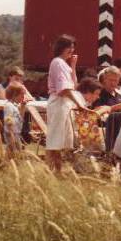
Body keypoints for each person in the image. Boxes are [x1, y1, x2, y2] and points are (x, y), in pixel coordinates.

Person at [45, 34, 79, 172]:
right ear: (61, 48)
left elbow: (74, 85)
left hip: (65, 103)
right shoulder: (57, 62)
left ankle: (57, 170)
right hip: (59, 102)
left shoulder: (64, 64)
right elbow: (64, 89)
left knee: (63, 139)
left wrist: (73, 66)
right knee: (56, 139)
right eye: (68, 47)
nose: (71, 50)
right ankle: (54, 170)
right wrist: (80, 105)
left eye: (72, 48)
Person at [3, 83, 26, 157]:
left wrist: (22, 108)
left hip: (16, 132)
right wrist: (12, 134)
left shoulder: (15, 105)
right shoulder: (9, 106)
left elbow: (20, 119)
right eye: (21, 95)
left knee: (13, 152)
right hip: (10, 133)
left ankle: (4, 166)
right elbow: (8, 121)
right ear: (14, 94)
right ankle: (11, 165)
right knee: (14, 151)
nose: (23, 97)